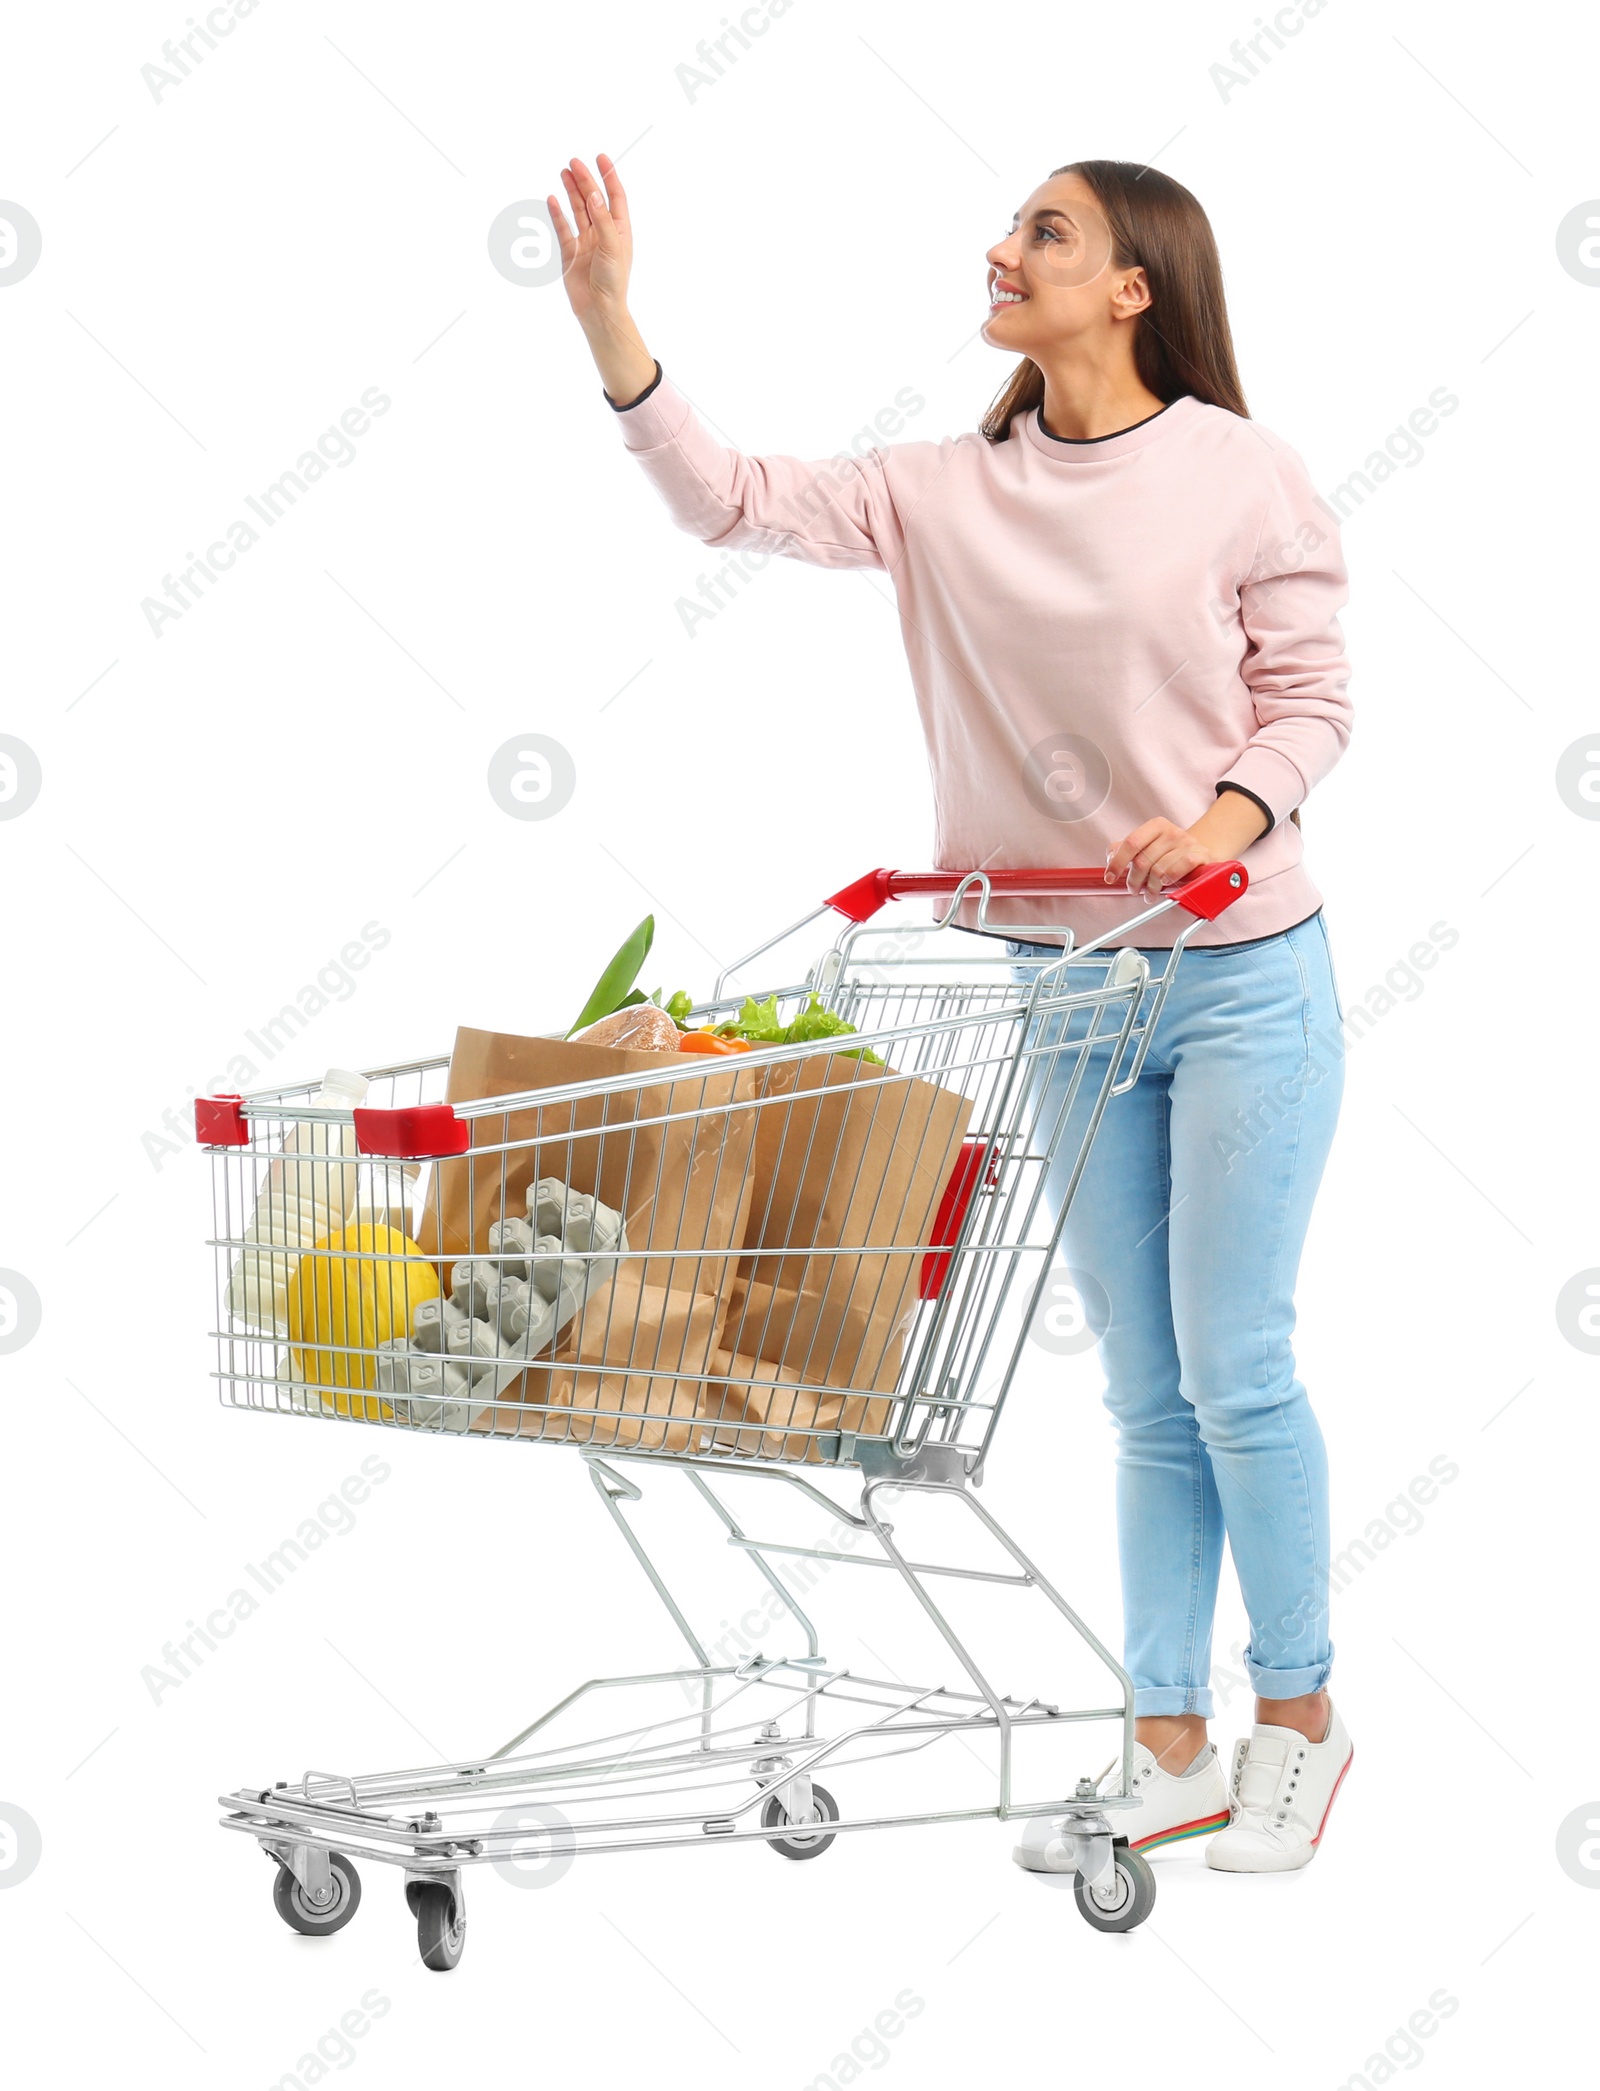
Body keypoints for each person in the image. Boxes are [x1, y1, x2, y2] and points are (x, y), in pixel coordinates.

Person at [551, 151, 1354, 1875]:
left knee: (1237, 1366)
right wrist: (620, 331)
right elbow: (732, 500)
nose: (1002, 250)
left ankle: (1299, 1722)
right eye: (1011, 228)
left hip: (1239, 980)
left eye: (1044, 232)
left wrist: (1218, 828)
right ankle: (1168, 1747)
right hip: (1056, 989)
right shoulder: (944, 487)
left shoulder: (1240, 474)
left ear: (1134, 284)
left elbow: (1311, 699)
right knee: (1145, 1389)